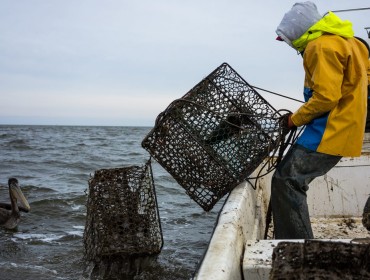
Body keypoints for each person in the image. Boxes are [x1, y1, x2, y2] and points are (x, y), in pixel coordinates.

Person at [272, 1, 369, 239]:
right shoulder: (352, 41)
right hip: (349, 123)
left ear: (298, 31)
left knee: (287, 180)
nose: (288, 44)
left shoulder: (319, 46)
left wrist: (293, 120)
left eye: (287, 39)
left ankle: (296, 245)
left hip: (330, 128)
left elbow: (326, 97)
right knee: (290, 178)